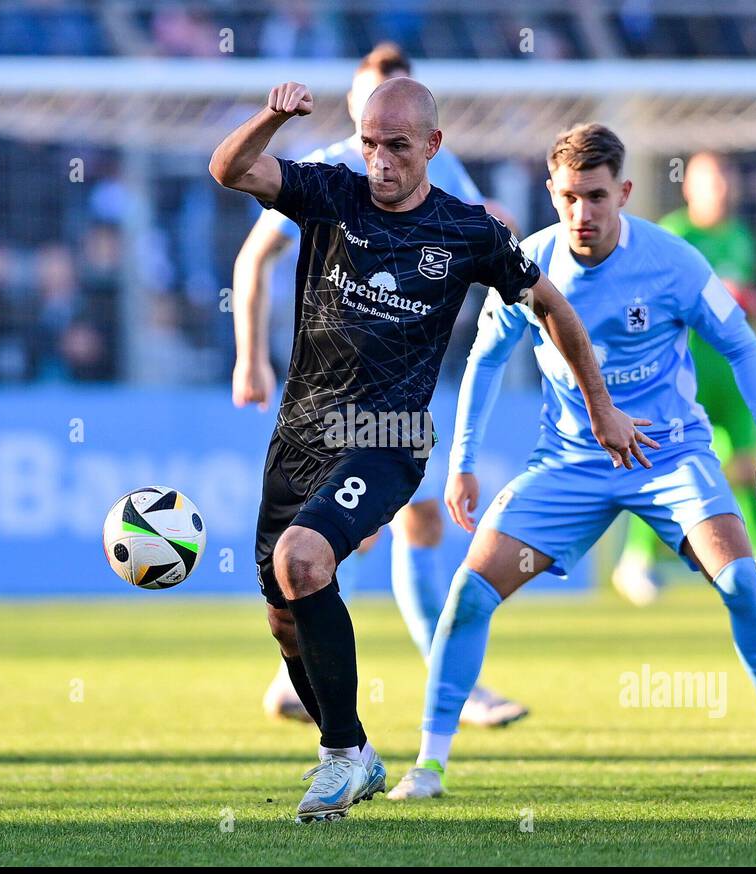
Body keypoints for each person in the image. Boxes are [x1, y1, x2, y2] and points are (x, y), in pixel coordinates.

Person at [209, 82, 652, 822]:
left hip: (389, 440)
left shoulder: (466, 231)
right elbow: (229, 169)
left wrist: (601, 407)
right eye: (369, 143)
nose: (379, 161)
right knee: (284, 613)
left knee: (300, 561)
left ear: (433, 148)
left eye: (398, 146)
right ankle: (354, 753)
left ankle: (342, 758)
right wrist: (273, 118)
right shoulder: (329, 193)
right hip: (300, 435)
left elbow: (554, 309)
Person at [386, 124, 756, 802]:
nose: (582, 214)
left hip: (670, 454)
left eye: (596, 196)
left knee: (742, 582)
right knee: (470, 594)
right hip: (569, 464)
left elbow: (742, 346)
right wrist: (464, 461)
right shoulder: (527, 263)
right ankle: (430, 762)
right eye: (568, 197)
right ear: (551, 193)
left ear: (623, 191)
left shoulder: (675, 262)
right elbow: (485, 358)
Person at [235, 43, 528, 728]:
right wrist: (250, 354)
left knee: (403, 523)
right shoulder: (336, 169)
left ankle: (436, 684)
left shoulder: (432, 162)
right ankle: (423, 688)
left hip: (409, 382)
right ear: (354, 104)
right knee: (342, 539)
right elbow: (256, 253)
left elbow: (473, 223)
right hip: (334, 388)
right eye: (371, 101)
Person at [612, 151, 756, 604]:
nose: (719, 191)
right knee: (662, 465)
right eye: (709, 182)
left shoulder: (739, 236)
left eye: (724, 181)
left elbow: (734, 305)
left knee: (750, 464)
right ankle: (635, 563)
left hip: (728, 372)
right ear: (688, 188)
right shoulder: (676, 235)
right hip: (682, 373)